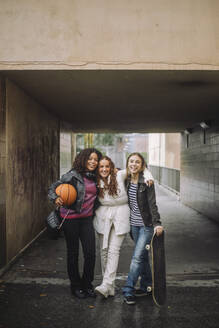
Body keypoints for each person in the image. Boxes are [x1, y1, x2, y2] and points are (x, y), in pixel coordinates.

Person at [93, 156, 154, 299]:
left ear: (112, 167)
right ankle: (109, 286)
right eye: (101, 167)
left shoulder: (119, 175)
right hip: (103, 216)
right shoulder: (95, 180)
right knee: (104, 251)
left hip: (120, 215)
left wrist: (149, 176)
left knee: (114, 250)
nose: (104, 169)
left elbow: (139, 168)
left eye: (107, 166)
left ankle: (106, 284)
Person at [48, 148, 102, 299]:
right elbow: (52, 188)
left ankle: (87, 284)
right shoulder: (72, 175)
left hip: (86, 220)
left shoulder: (97, 177)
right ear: (83, 159)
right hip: (70, 219)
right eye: (90, 158)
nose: (93, 162)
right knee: (73, 253)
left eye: (96, 159)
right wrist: (55, 198)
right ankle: (76, 286)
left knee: (90, 253)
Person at [122, 152, 163, 305]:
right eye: (131, 161)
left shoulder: (147, 182)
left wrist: (157, 223)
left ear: (142, 165)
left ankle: (128, 290)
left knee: (137, 257)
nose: (134, 164)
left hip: (146, 226)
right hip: (133, 226)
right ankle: (147, 286)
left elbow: (152, 204)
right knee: (143, 256)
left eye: (137, 162)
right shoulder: (125, 179)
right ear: (127, 163)